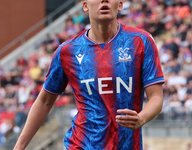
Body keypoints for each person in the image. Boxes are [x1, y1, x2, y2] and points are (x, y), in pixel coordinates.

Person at [13, 0, 164, 149]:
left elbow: (156, 97)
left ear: (120, 4)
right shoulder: (68, 51)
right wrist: (19, 147)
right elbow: (45, 101)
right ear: (85, 5)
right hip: (81, 144)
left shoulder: (141, 41)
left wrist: (141, 118)